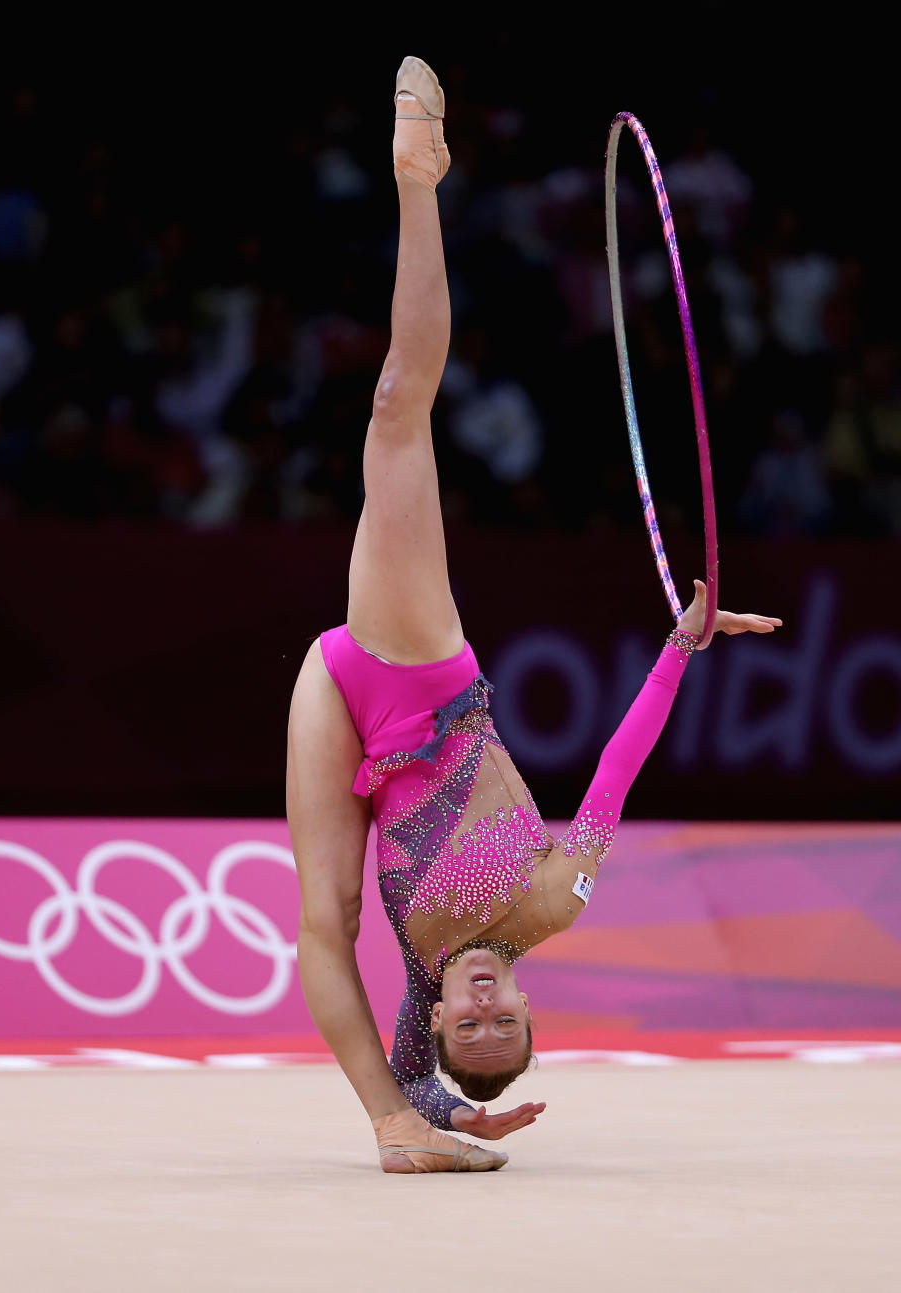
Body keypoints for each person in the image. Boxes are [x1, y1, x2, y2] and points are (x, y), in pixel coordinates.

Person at [285, 57, 782, 1175]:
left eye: (469, 1031)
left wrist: (432, 1109)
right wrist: (675, 651)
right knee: (394, 414)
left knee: (322, 921)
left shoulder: (418, 991)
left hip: (336, 701)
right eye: (502, 1021)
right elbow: (618, 764)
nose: (479, 1010)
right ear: (522, 1005)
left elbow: (411, 1049)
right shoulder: (558, 900)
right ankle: (421, 181)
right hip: (419, 674)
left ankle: (389, 1134)